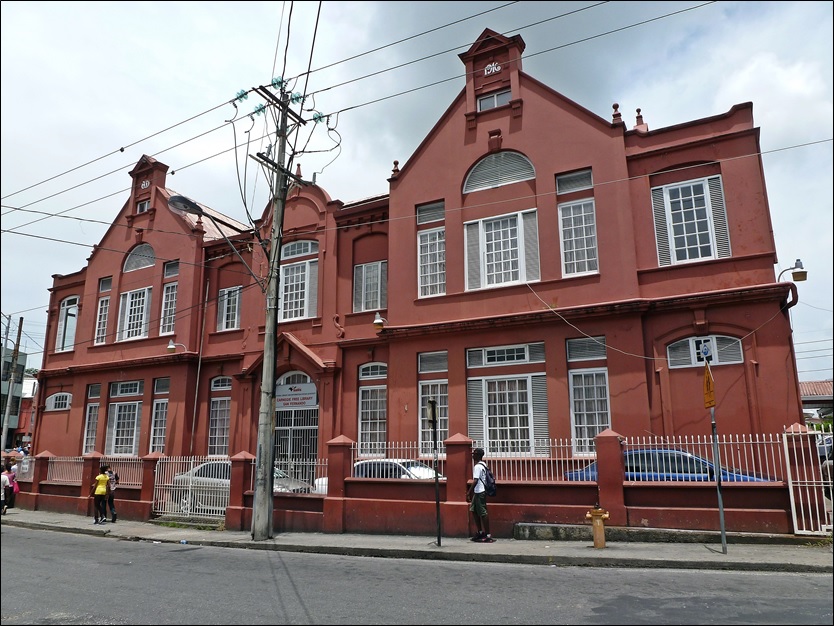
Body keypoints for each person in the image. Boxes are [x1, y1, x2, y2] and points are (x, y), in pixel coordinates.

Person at [466, 447, 494, 543]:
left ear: (478, 455)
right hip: (478, 492)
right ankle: (480, 532)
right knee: (473, 510)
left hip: (480, 491)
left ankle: (488, 535)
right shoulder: (483, 465)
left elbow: (476, 480)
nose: (473, 455)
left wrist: (469, 492)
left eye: (474, 454)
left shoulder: (478, 466)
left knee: (483, 512)